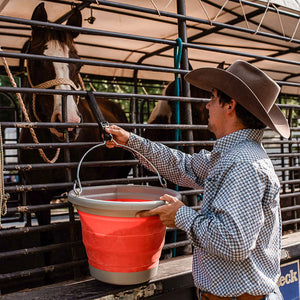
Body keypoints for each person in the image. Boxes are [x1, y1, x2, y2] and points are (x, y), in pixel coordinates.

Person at [105, 60, 289, 300]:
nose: (207, 104)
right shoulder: (231, 155)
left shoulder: (243, 164)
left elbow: (234, 242)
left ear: (230, 106)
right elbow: (183, 166)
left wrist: (180, 215)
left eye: (213, 97)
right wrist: (130, 141)